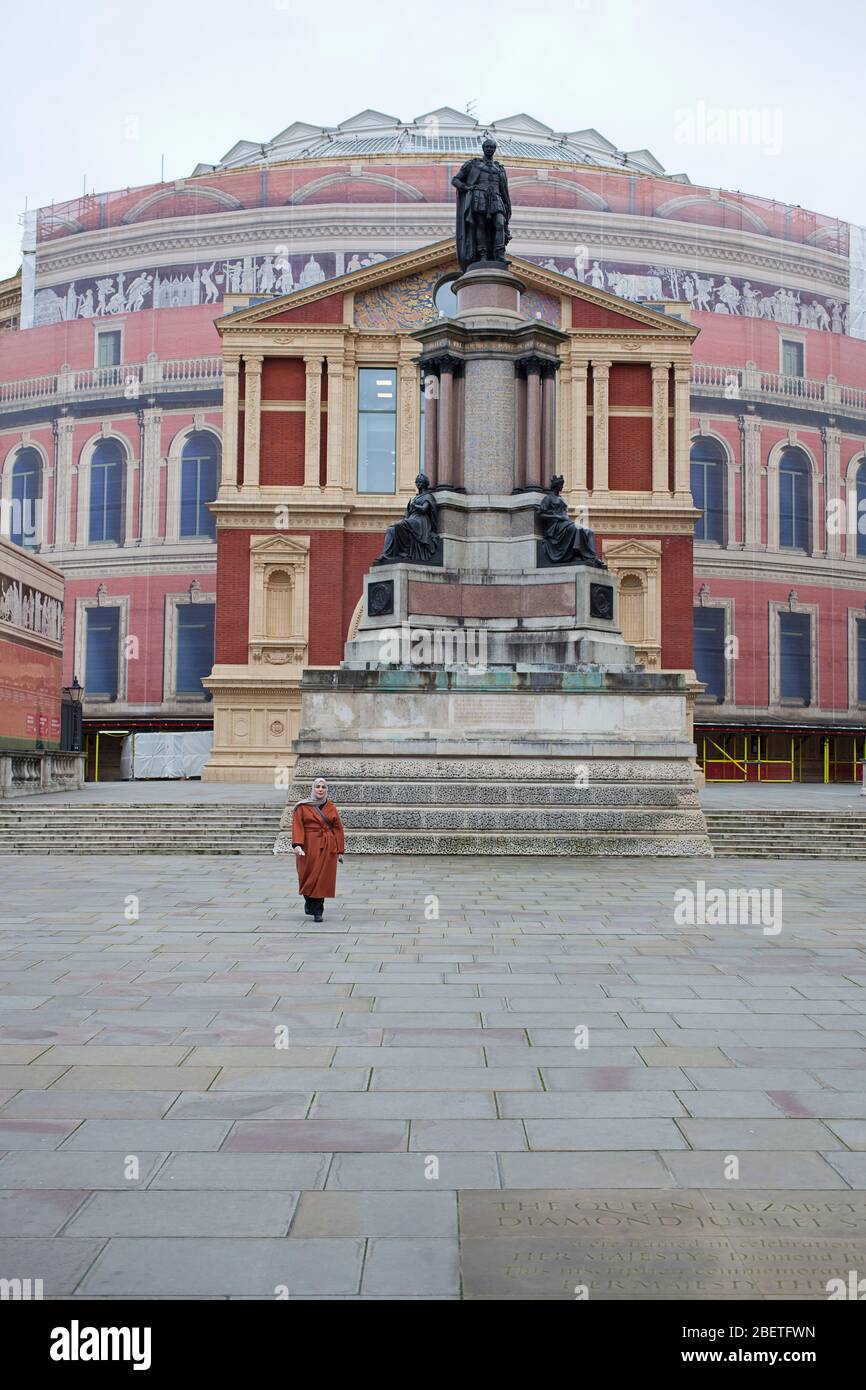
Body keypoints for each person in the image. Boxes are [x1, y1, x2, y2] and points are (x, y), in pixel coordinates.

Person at [291, 776, 344, 923]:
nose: (320, 789)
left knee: (322, 879)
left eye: (323, 787)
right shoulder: (302, 807)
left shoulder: (331, 807)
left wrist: (339, 850)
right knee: (306, 876)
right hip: (308, 845)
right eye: (318, 787)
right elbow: (298, 825)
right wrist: (297, 845)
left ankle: (318, 911)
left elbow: (338, 828)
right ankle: (309, 902)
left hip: (327, 847)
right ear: (313, 788)